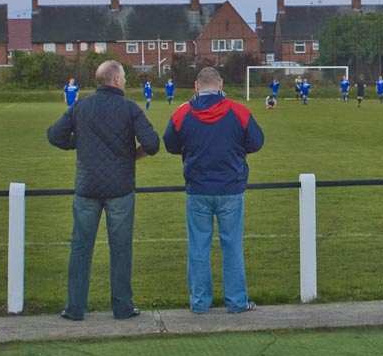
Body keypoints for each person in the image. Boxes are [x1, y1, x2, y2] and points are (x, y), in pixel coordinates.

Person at [46, 60, 159, 321]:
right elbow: (152, 143)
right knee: (120, 249)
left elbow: (54, 135)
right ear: (117, 80)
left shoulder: (81, 107)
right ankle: (122, 307)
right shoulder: (130, 108)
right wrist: (134, 155)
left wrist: (79, 144)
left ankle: (74, 307)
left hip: (86, 187)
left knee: (80, 247)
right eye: (125, 79)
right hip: (120, 188)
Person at [163, 66, 265, 315]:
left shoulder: (182, 112)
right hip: (230, 187)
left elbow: (169, 143)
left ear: (196, 86)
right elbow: (257, 141)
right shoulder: (238, 110)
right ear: (220, 84)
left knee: (198, 247)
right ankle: (237, 302)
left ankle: (199, 303)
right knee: (232, 247)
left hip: (198, 188)